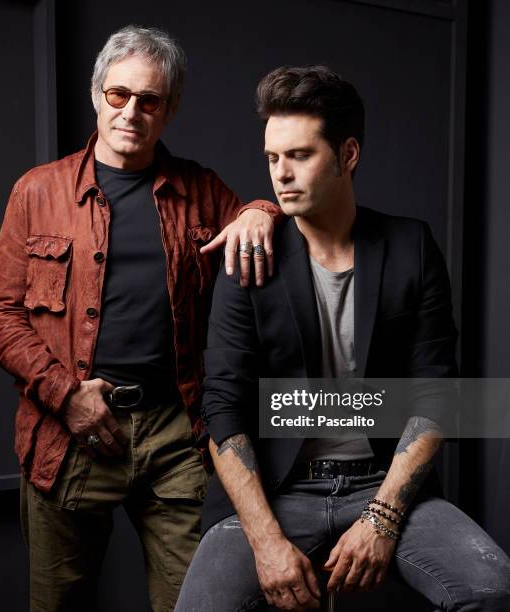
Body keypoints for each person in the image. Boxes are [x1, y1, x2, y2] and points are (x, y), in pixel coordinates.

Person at [175, 65, 510, 611]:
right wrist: (265, 542)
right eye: (272, 158)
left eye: (300, 155)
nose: (280, 174)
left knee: (494, 591)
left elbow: (437, 396)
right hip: (277, 492)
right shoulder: (248, 259)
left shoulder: (410, 246)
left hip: (384, 482)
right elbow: (224, 410)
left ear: (347, 155)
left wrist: (382, 517)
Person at [0, 25, 282, 612]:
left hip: (178, 433)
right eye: (119, 95)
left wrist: (261, 210)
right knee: (58, 603)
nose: (131, 113)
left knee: (198, 602)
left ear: (168, 110)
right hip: (70, 432)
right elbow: (1, 315)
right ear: (97, 96)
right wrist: (65, 396)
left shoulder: (200, 188)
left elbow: (251, 213)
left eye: (149, 101)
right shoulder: (36, 192)